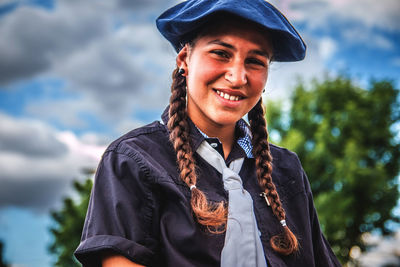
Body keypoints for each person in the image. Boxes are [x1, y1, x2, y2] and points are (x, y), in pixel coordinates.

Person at [74, 0, 341, 266]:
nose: (238, 77)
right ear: (184, 60)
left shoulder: (287, 169)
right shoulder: (132, 159)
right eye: (221, 53)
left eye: (255, 61)